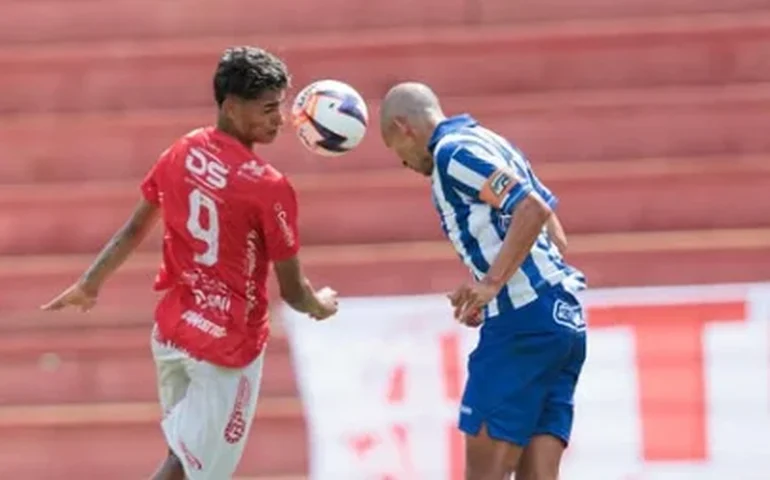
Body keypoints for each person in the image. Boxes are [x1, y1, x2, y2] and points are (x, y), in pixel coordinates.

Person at [41, 46, 339, 480]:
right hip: (226, 349)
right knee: (187, 468)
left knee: (184, 453)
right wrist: (321, 304)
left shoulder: (182, 150)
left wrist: (90, 283)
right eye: (269, 109)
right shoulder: (269, 187)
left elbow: (133, 228)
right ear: (233, 108)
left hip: (173, 332)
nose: (280, 120)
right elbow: (293, 292)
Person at [379, 82, 587, 480]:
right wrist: (489, 284)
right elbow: (555, 235)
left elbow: (532, 208)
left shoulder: (451, 153)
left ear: (404, 127)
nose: (405, 164)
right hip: (562, 319)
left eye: (397, 152)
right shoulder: (488, 139)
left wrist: (493, 284)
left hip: (523, 325)